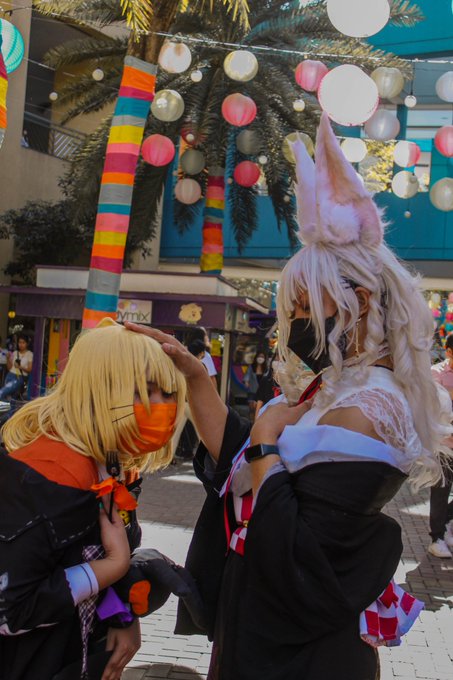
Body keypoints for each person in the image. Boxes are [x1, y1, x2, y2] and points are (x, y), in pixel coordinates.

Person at [126, 113, 451, 680]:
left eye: (304, 307)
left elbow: (295, 550)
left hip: (298, 654)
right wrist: (197, 379)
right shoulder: (338, 388)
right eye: (292, 309)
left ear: (361, 303)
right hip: (267, 631)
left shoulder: (367, 409)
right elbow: (240, 462)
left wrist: (266, 442)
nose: (295, 323)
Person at [0, 318, 186, 680]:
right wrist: (113, 567)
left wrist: (120, 613)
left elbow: (80, 564)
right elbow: (10, 610)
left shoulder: (107, 462)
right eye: (144, 390)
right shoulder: (48, 473)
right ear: (100, 389)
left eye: (169, 393)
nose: (162, 406)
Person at [428, 333, 453, 558]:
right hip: (443, 445)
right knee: (440, 491)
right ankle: (436, 538)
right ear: (449, 352)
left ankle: (446, 523)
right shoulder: (435, 373)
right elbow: (433, 406)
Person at [0, 333, 33, 401]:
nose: (21, 344)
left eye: (23, 342)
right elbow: (9, 368)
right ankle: (10, 408)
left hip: (19, 378)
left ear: (27, 344)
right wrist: (8, 359)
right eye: (19, 342)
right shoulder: (15, 353)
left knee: (2, 392)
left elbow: (30, 369)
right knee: (10, 399)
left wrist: (20, 367)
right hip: (10, 375)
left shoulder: (30, 354)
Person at [185, 326, 218, 390]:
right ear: (201, 337)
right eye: (205, 335)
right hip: (200, 389)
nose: (207, 337)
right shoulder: (205, 355)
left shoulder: (183, 350)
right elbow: (212, 378)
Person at [244, 351, 268, 421]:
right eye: (259, 356)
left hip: (261, 393)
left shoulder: (266, 369)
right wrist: (246, 382)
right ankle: (251, 423)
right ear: (256, 357)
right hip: (252, 390)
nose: (260, 358)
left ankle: (256, 423)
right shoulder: (251, 367)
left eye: (262, 357)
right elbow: (247, 376)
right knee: (251, 408)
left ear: (265, 359)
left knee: (258, 409)